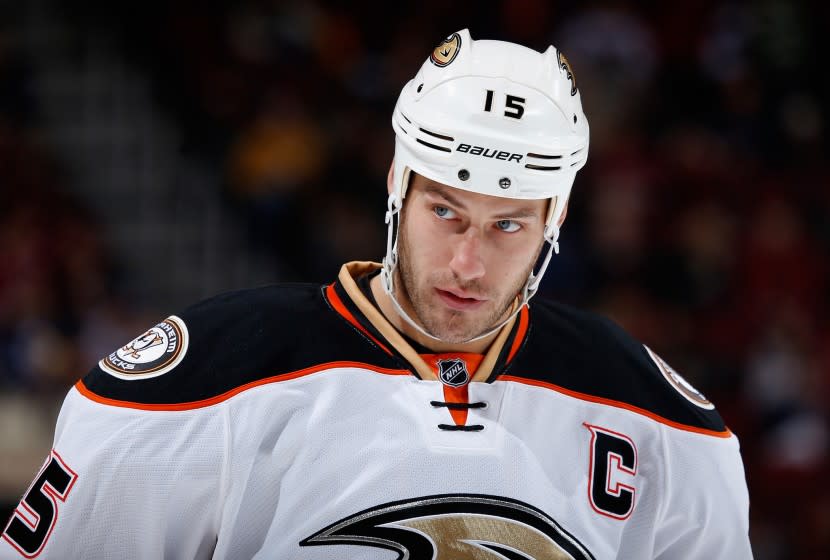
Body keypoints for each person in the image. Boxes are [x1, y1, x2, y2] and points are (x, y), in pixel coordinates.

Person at [1, 29, 751, 559]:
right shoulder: (203, 385)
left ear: (553, 223)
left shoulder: (662, 424)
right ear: (397, 187)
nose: (467, 262)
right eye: (446, 211)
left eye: (507, 226)